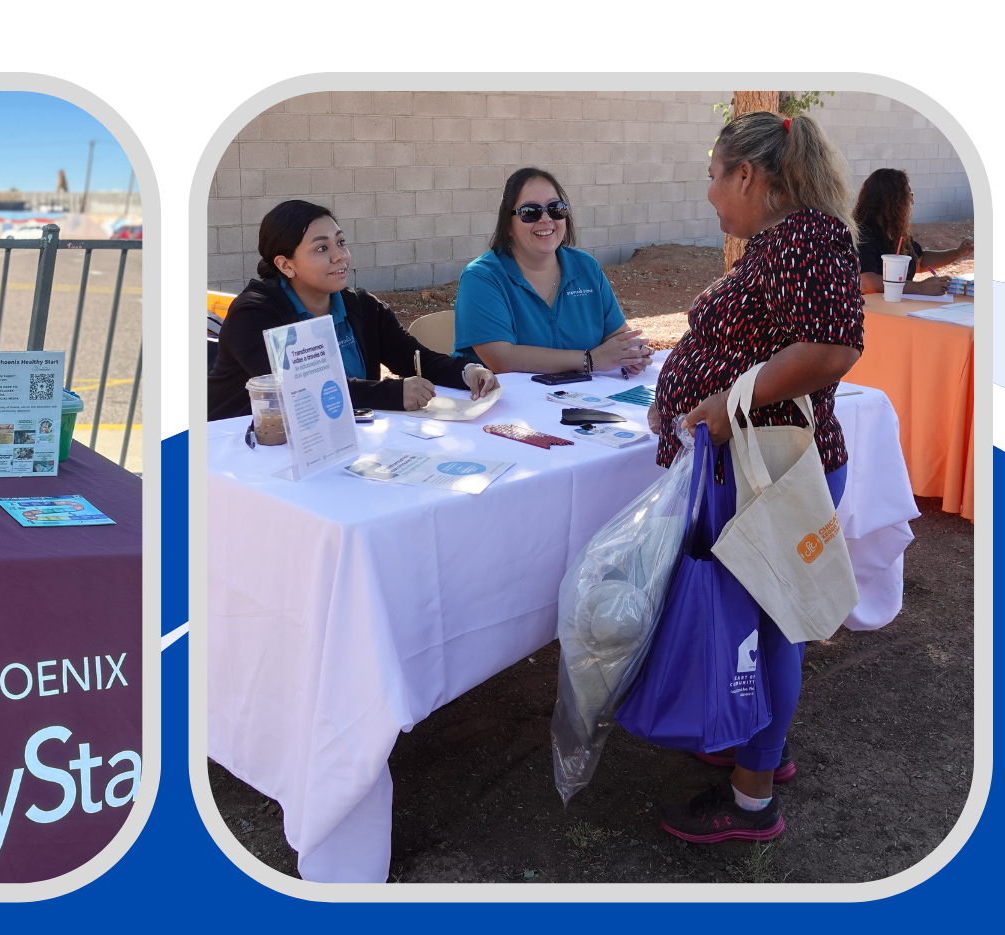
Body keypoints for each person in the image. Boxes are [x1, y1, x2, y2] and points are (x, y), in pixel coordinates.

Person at [646, 110, 864, 845]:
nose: (710, 193)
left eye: (715, 175)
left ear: (747, 174)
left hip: (769, 472)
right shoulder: (785, 242)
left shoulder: (805, 238)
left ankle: (750, 799)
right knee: (765, 625)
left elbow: (832, 350)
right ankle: (760, 744)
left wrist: (721, 402)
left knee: (767, 633)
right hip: (758, 467)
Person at [206, 200, 496, 421]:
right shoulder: (255, 314)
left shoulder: (362, 307)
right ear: (285, 265)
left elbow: (415, 359)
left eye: (341, 243)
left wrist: (468, 371)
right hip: (241, 447)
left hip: (341, 440)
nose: (340, 256)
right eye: (321, 249)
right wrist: (391, 394)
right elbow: (301, 391)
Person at [453, 167, 651, 375]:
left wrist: (631, 352)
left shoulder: (586, 268)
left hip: (581, 398)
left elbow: (616, 336)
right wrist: (589, 360)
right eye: (530, 212)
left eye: (555, 209)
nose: (546, 219)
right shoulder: (482, 277)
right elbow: (501, 359)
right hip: (505, 403)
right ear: (508, 225)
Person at [850, 168, 973, 296]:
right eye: (908, 195)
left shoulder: (895, 231)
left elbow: (919, 261)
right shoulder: (863, 233)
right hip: (873, 311)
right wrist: (919, 287)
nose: (911, 202)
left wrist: (957, 253)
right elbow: (867, 283)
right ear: (891, 201)